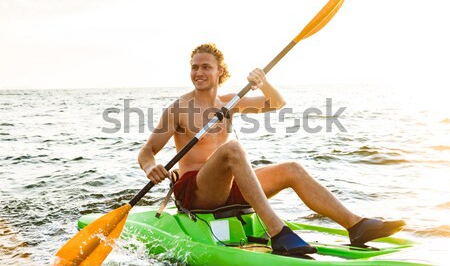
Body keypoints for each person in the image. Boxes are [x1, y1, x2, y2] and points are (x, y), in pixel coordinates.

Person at [138, 43, 405, 256]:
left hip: (228, 186)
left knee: (292, 169)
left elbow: (276, 103)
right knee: (234, 150)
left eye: (206, 67)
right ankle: (278, 233)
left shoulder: (232, 101)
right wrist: (152, 167)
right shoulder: (178, 109)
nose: (198, 73)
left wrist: (262, 82)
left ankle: (356, 225)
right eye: (194, 67)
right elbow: (147, 151)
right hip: (196, 192)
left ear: (220, 71)